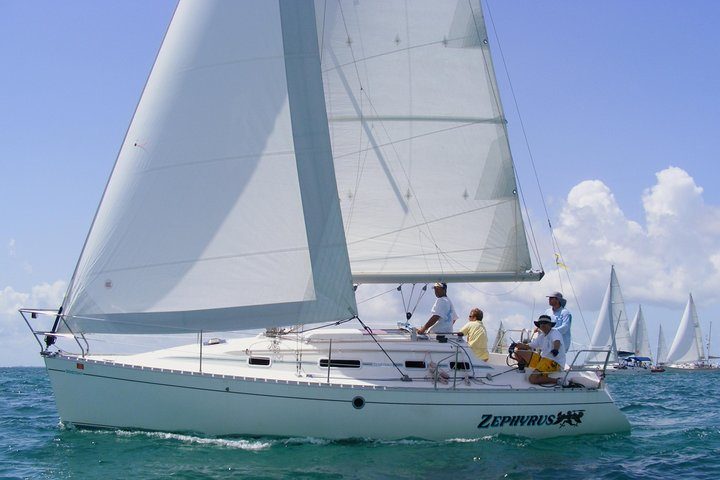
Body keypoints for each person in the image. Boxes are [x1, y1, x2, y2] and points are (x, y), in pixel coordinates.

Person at [511, 314, 565, 385]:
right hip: (543, 360)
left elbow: (557, 341)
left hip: (554, 362)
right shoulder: (541, 336)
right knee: (519, 351)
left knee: (532, 379)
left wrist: (556, 349)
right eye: (540, 323)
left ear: (550, 325)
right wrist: (515, 345)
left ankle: (557, 380)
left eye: (545, 323)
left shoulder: (555, 332)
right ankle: (523, 369)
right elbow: (528, 346)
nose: (542, 325)